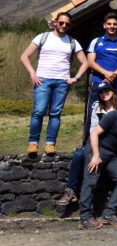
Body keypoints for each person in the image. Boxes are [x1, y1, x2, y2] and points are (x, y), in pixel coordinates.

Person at [20, 11, 88, 155]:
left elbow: (85, 62)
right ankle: (33, 144)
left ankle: (50, 144)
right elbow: (25, 56)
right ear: (55, 22)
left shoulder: (72, 42)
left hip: (62, 82)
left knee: (55, 114)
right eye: (61, 22)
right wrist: (32, 73)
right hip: (42, 80)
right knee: (38, 112)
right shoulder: (43, 37)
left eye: (67, 24)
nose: (64, 26)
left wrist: (75, 77)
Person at [79, 93, 117, 230]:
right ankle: (85, 217)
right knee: (90, 181)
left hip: (112, 154)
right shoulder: (114, 116)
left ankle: (108, 214)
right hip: (96, 150)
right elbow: (94, 134)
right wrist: (95, 155)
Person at [58, 83, 117, 206]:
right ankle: (71, 189)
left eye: (107, 91)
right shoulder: (96, 106)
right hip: (96, 140)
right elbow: (92, 129)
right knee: (79, 155)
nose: (104, 94)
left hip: (114, 143)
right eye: (101, 92)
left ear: (112, 92)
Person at [85, 13, 117, 125]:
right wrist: (105, 73)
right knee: (93, 111)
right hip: (98, 81)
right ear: (104, 25)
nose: (112, 26)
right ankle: (88, 141)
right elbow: (90, 62)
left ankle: (111, 141)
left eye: (115, 24)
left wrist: (113, 75)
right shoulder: (96, 41)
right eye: (109, 24)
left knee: (115, 111)